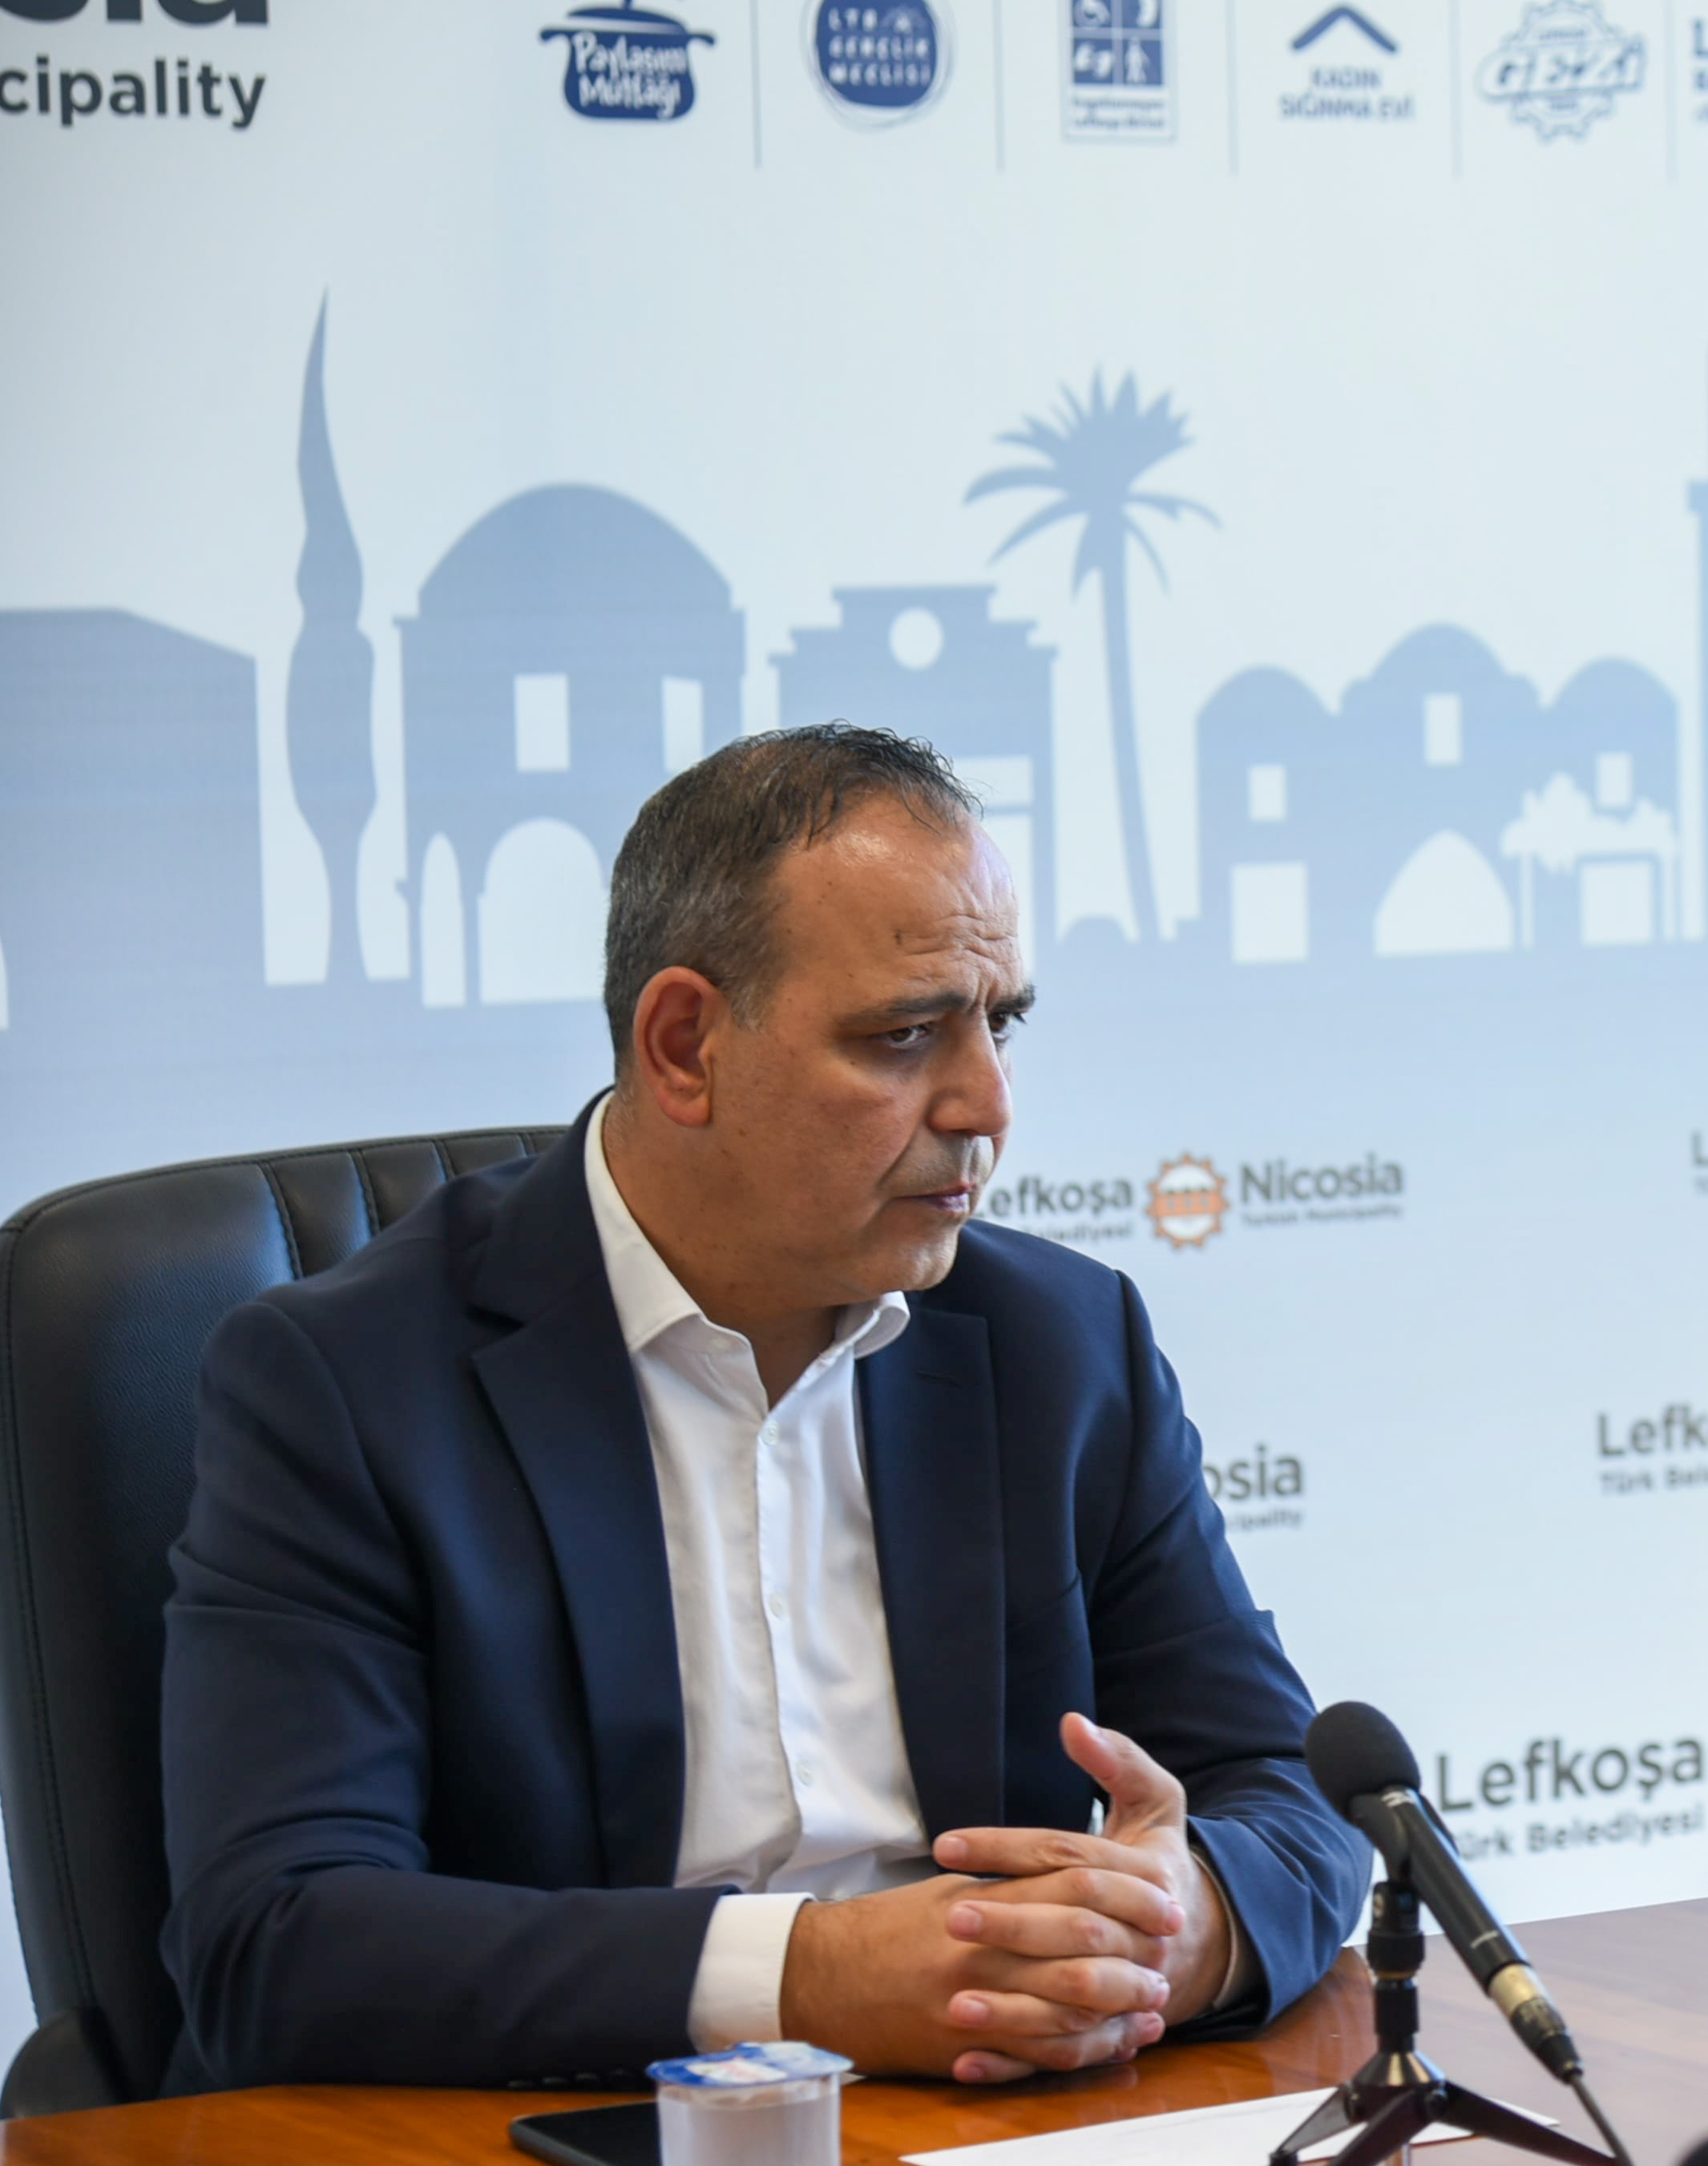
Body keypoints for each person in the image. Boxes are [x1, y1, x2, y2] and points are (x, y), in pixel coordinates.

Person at [161, 727, 1370, 2091]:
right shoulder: (345, 1384)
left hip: (989, 2112)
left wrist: (1176, 1928)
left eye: (1002, 1024)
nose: (986, 1104)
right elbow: (279, 1938)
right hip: (578, 2120)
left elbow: (1295, 1790)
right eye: (903, 1036)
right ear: (684, 1046)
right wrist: (809, 1977)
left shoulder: (1064, 1345)